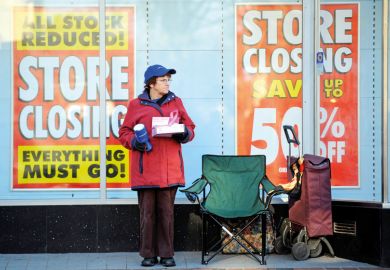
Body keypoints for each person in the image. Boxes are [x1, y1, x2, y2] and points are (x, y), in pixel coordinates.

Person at [118, 64, 195, 267]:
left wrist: (183, 132)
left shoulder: (176, 102)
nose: (167, 83)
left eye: (169, 80)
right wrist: (136, 141)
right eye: (163, 80)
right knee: (147, 215)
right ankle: (148, 254)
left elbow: (190, 127)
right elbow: (124, 133)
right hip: (146, 170)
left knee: (166, 214)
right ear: (151, 83)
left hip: (170, 170)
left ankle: (167, 254)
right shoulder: (136, 105)